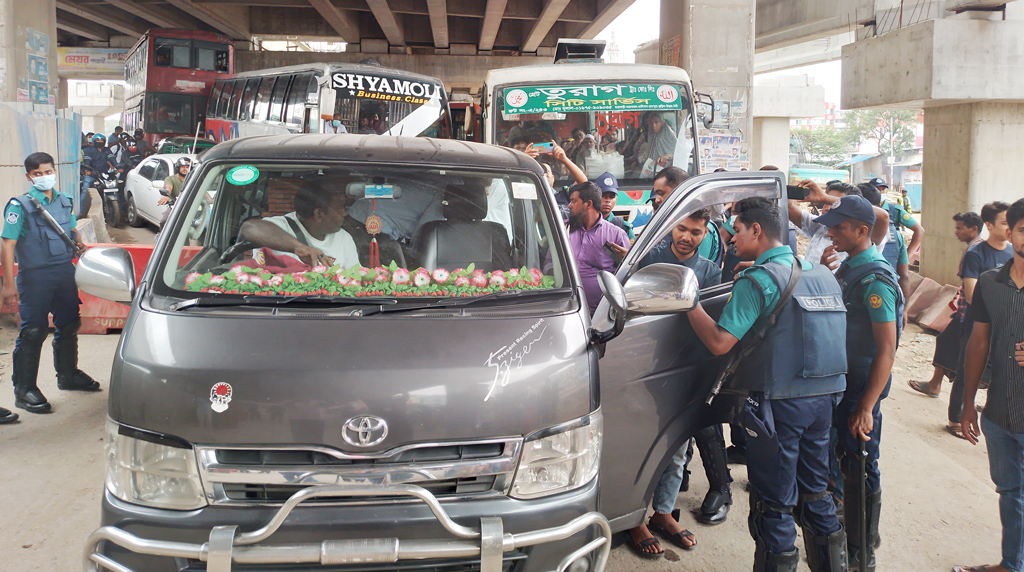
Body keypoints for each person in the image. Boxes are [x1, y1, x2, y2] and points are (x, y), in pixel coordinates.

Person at [686, 197, 848, 572]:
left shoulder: (757, 281)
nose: (730, 239)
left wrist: (689, 303)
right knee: (816, 490)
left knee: (773, 501)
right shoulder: (821, 273)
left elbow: (719, 342)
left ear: (756, 230)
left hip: (778, 406)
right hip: (824, 402)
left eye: (737, 231)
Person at [625, 208, 724, 557]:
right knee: (639, 443)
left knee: (678, 447)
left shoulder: (711, 271)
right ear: (672, 227)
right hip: (644, 365)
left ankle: (663, 512)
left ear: (706, 233)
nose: (686, 238)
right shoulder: (649, 260)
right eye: (682, 229)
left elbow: (713, 323)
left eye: (696, 232)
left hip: (686, 368)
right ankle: (634, 517)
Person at [817, 195, 903, 571]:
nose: (831, 232)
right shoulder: (851, 265)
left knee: (861, 465)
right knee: (844, 460)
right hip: (844, 383)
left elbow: (887, 348)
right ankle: (856, 531)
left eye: (838, 227)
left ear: (862, 231)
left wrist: (867, 407)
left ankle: (862, 551)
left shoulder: (875, 279)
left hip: (859, 391)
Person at [2, 152, 100, 416]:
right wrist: (9, 284)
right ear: (29, 176)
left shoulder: (65, 200)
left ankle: (68, 375)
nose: (45, 177)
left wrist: (77, 240)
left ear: (54, 171)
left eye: (48, 171)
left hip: (63, 272)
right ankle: (24, 390)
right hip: (34, 277)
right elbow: (7, 244)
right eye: (38, 173)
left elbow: (69, 230)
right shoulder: (18, 205)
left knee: (69, 323)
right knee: (33, 332)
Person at [956, 198, 1024, 572]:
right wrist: (969, 402)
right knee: (1010, 492)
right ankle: (1011, 564)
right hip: (998, 411)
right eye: (1023, 228)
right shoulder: (989, 283)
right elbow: (978, 342)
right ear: (1009, 232)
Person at [946, 201, 1014, 439]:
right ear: (988, 225)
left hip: (1005, 325)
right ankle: (956, 417)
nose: (1009, 229)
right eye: (1005, 223)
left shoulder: (1013, 252)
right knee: (968, 371)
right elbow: (974, 295)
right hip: (977, 323)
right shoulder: (976, 253)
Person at [909, 211, 984, 398]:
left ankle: (937, 386)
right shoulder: (980, 248)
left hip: (971, 312)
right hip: (972, 310)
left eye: (960, 228)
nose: (956, 232)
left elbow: (973, 286)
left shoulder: (975, 251)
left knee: (950, 344)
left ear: (974, 229)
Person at [239, 182, 360, 269]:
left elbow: (356, 279)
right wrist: (299, 248)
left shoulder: (344, 239)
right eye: (340, 207)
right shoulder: (279, 227)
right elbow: (249, 228)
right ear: (318, 214)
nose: (345, 212)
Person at [788, 181, 890, 270]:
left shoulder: (864, 236)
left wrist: (825, 197)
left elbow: (884, 217)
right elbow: (789, 207)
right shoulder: (821, 226)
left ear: (862, 232)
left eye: (833, 203)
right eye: (824, 203)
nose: (828, 208)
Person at [566, 182, 629, 315]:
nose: (569, 205)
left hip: (601, 314)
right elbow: (549, 262)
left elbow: (627, 275)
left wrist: (625, 261)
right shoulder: (563, 229)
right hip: (567, 309)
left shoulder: (616, 235)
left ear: (588, 204)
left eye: (573, 201)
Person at [859, 184, 912, 315]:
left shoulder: (857, 236)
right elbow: (904, 276)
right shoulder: (896, 235)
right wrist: (904, 310)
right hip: (892, 297)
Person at [870, 177, 925, 262]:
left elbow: (919, 230)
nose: (880, 192)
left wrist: (907, 255)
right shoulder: (864, 209)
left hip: (891, 258)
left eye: (883, 189)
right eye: (877, 189)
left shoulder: (894, 210)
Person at [594, 172, 634, 241]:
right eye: (603, 196)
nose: (607, 200)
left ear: (616, 199)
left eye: (611, 197)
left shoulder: (623, 227)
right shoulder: (585, 224)